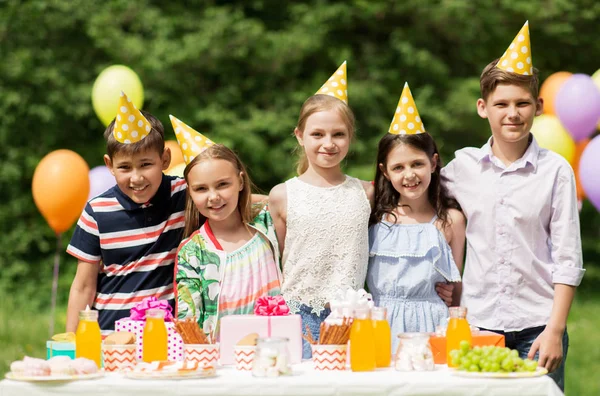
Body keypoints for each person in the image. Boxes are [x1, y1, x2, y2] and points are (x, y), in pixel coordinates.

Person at [440, 22, 584, 391]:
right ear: (482, 107)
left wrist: (555, 330)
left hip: (538, 328)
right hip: (477, 325)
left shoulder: (556, 171)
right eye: (501, 104)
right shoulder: (462, 169)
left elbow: (568, 258)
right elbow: (404, 188)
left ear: (537, 107)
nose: (512, 113)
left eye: (522, 103)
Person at [269, 62, 374, 358]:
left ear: (350, 137)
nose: (328, 143)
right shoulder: (282, 195)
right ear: (300, 136)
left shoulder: (366, 192)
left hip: (353, 319)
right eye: (317, 134)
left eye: (338, 134)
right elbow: (279, 257)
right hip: (297, 318)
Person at [66, 93, 186, 333]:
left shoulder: (183, 195)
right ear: (109, 165)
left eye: (146, 164)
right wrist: (71, 343)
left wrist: (278, 201)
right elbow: (83, 287)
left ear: (165, 159)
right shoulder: (96, 212)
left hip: (165, 336)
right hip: (109, 336)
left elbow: (227, 199)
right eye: (124, 167)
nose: (136, 177)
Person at [367, 83, 464, 354]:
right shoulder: (375, 216)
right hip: (380, 324)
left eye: (417, 164)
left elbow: (455, 288)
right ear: (385, 172)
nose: (409, 175)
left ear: (433, 163)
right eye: (398, 167)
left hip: (433, 324)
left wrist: (453, 293)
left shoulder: (450, 220)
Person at [171, 116, 282, 334]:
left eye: (223, 184)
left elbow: (285, 200)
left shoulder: (268, 222)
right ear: (190, 193)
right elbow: (188, 324)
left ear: (240, 181)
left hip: (279, 350)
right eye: (201, 189)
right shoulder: (193, 252)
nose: (213, 197)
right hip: (222, 361)